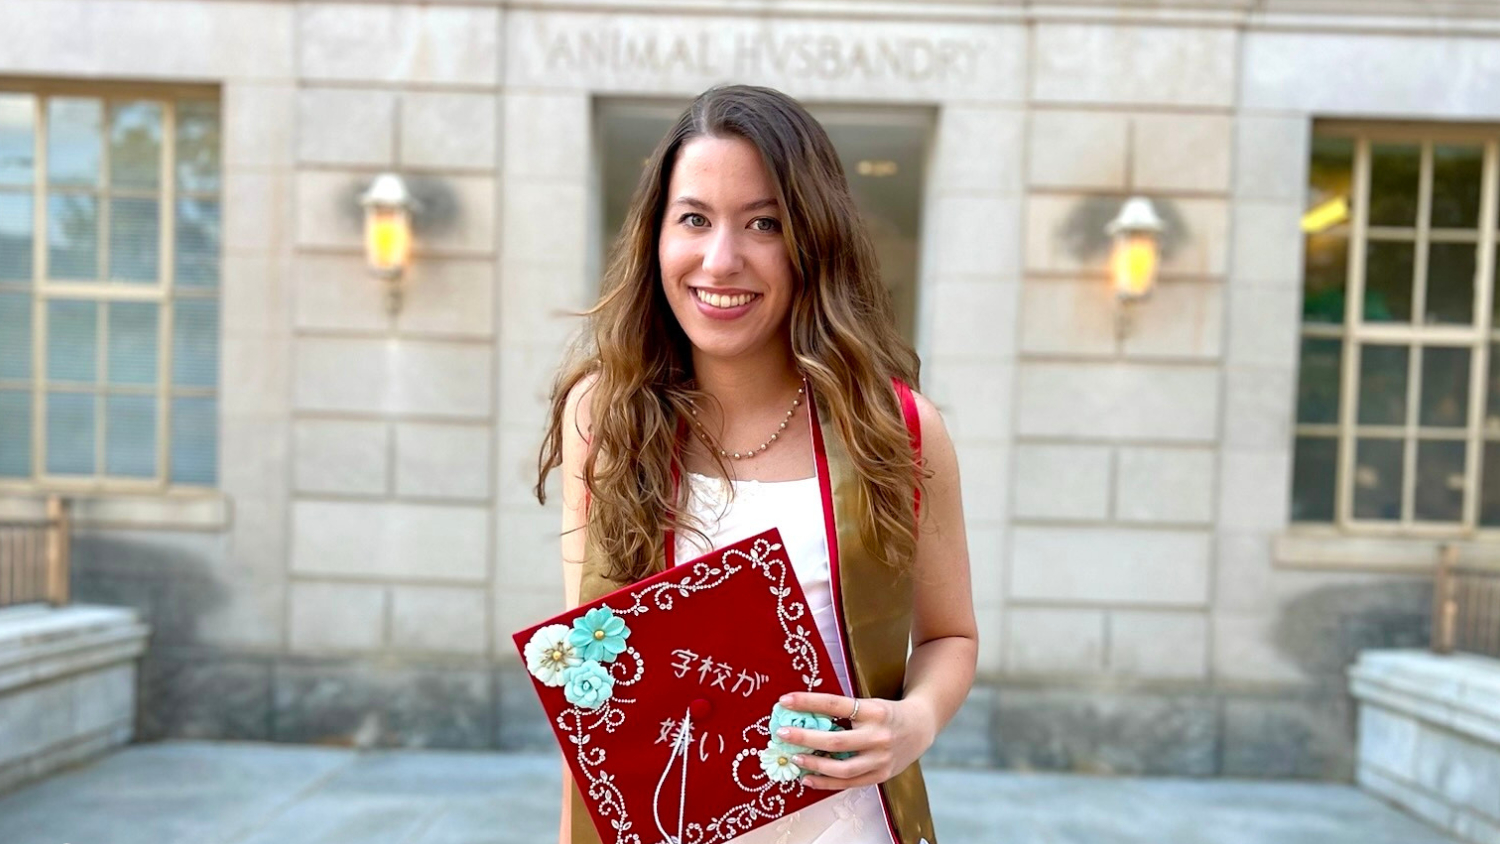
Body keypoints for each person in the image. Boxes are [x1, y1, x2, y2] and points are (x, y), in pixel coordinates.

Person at [535, 84, 976, 844]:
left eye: (763, 223)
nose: (721, 259)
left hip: (847, 828)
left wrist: (916, 720)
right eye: (695, 219)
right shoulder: (606, 419)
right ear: (656, 237)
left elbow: (950, 637)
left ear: (814, 239)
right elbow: (598, 689)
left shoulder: (895, 429)